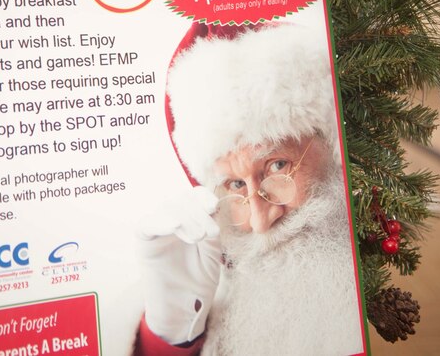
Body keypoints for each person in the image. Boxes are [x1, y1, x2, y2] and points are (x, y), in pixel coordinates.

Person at [132, 23, 364, 355]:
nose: (260, 220)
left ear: (331, 144)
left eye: (277, 165)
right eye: (236, 184)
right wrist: (172, 333)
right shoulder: (211, 277)